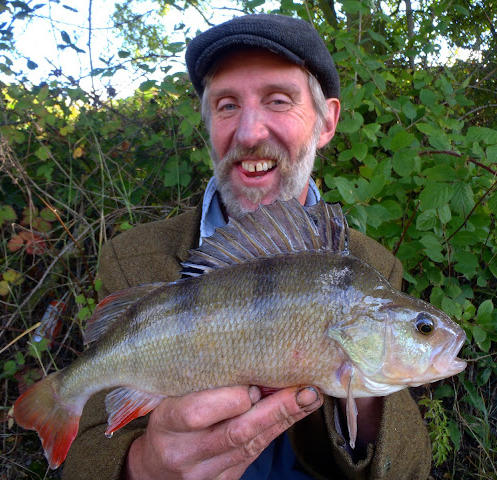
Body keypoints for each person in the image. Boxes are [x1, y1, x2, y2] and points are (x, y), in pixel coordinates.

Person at [62, 14, 431, 480]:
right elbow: (86, 454)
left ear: (326, 121)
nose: (250, 132)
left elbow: (411, 468)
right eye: (227, 105)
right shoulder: (131, 257)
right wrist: (143, 468)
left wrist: (367, 402)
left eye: (278, 100)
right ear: (209, 124)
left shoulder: (372, 267)